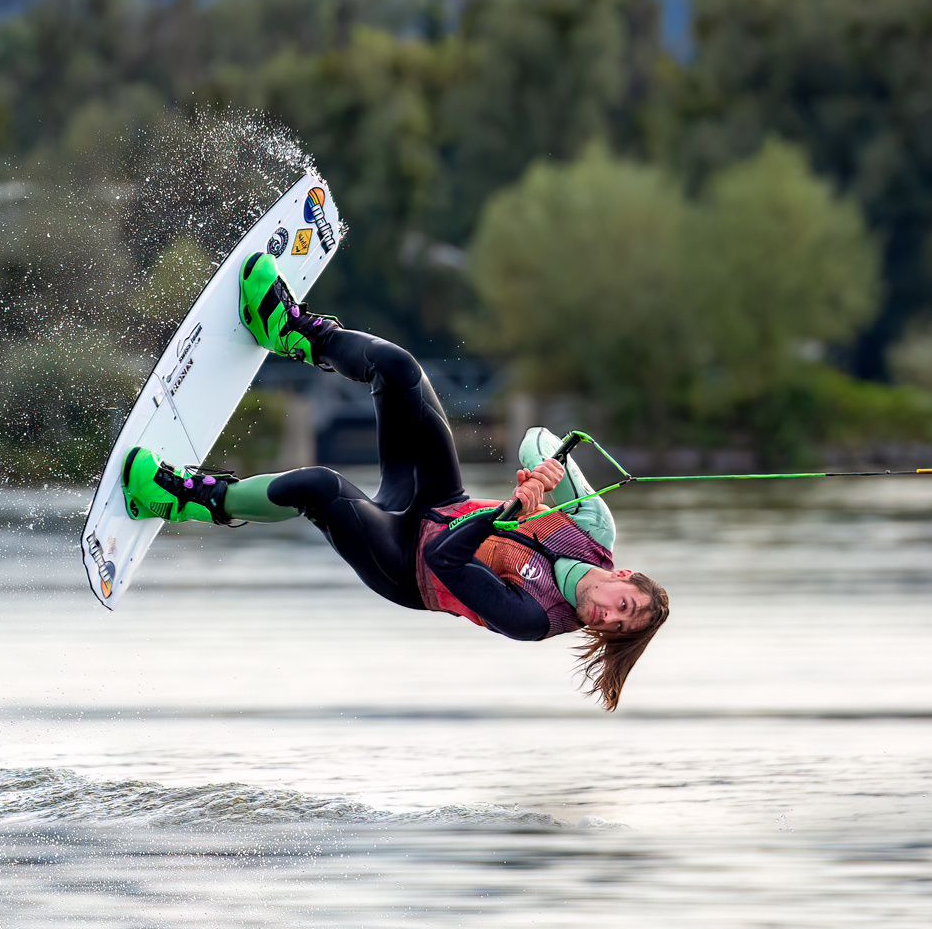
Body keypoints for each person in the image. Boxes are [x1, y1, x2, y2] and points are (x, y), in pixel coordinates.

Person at [121, 251, 669, 710]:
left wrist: (508, 513)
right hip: (438, 498)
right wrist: (549, 471)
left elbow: (445, 562)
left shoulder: (535, 618)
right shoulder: (593, 529)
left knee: (320, 487)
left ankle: (177, 498)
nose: (608, 615)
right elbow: (536, 439)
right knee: (400, 370)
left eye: (616, 626)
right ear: (625, 575)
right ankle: (286, 330)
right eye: (624, 604)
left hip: (405, 564)